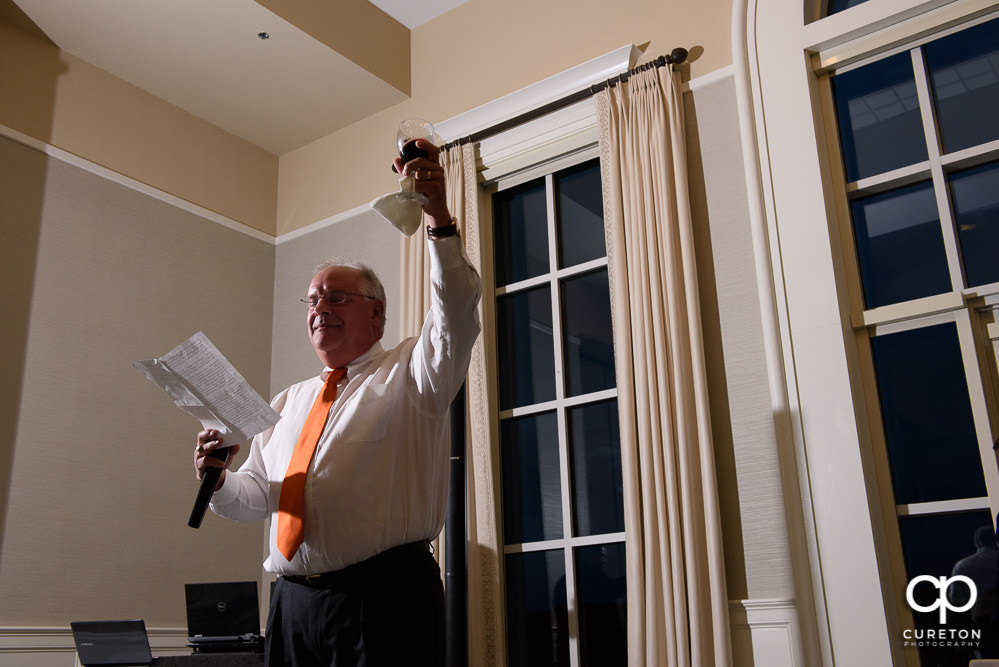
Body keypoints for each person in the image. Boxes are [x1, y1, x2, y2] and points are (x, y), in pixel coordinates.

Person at [193, 138, 480, 667]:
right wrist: (217, 479)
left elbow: (456, 313)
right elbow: (256, 497)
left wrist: (437, 217)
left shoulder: (414, 372)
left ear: (377, 315)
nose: (320, 306)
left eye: (337, 296)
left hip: (385, 600)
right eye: (313, 299)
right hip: (291, 606)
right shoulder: (286, 402)